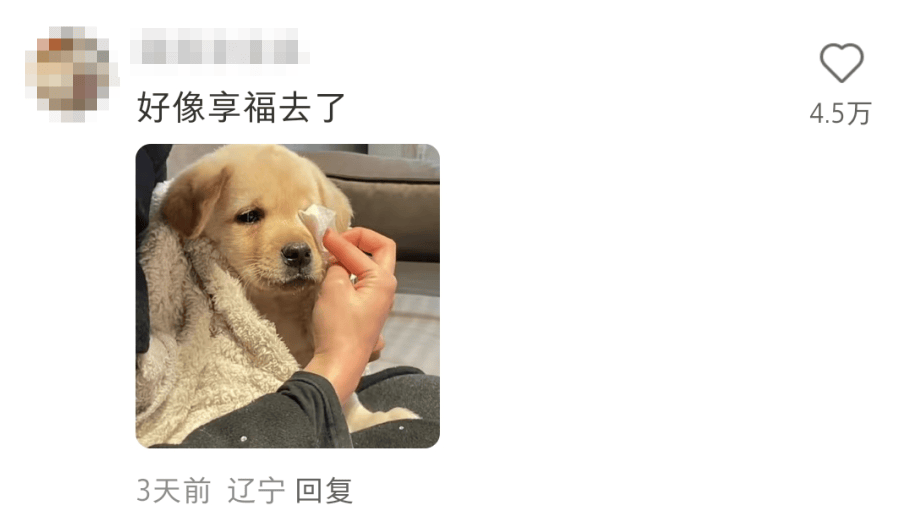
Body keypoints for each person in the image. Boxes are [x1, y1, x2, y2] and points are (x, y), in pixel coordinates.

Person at [136, 145, 439, 448]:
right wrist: (335, 367)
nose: (296, 245)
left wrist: (349, 350)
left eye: (305, 216)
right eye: (250, 216)